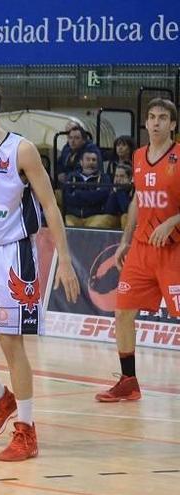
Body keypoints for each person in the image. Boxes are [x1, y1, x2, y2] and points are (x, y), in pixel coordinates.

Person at [0, 79, 80, 462]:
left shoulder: (21, 150)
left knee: (11, 343)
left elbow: (50, 207)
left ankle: (27, 430)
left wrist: (66, 261)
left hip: (12, 254)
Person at [96, 98, 180, 402]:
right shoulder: (139, 156)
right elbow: (137, 200)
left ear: (173, 124)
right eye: (152, 117)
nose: (155, 122)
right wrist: (125, 239)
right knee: (122, 313)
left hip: (174, 250)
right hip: (142, 249)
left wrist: (172, 220)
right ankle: (129, 381)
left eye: (162, 118)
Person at [62, 150, 115, 228]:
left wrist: (77, 193)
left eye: (94, 160)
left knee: (98, 225)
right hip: (72, 216)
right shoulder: (72, 177)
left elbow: (102, 196)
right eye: (88, 159)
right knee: (65, 225)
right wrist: (92, 196)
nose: (91, 162)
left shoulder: (104, 178)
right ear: (81, 162)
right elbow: (67, 198)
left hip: (95, 216)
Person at [104, 163, 133, 228]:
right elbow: (109, 211)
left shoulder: (134, 191)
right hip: (116, 220)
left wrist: (120, 191)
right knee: (105, 219)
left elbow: (126, 209)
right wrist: (115, 193)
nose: (118, 179)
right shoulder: (113, 190)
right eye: (116, 176)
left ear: (130, 178)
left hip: (130, 221)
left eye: (122, 176)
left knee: (125, 217)